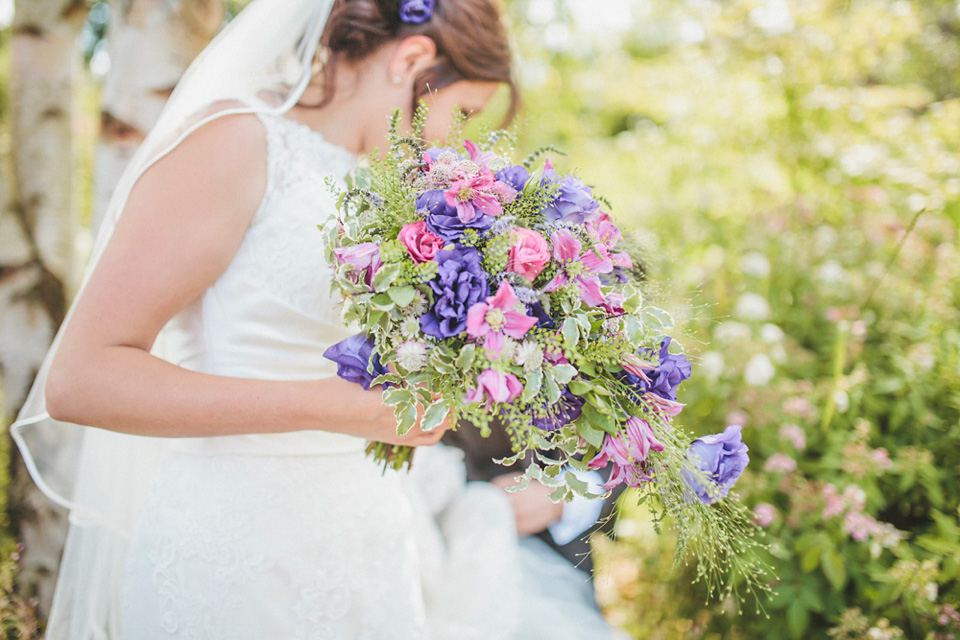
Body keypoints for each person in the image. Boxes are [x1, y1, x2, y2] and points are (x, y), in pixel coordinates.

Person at [10, 0, 532, 637]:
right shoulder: (235, 139)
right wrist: (334, 407)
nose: (457, 139)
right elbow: (81, 379)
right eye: (464, 112)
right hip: (236, 554)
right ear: (412, 59)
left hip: (366, 544)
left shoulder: (379, 191)